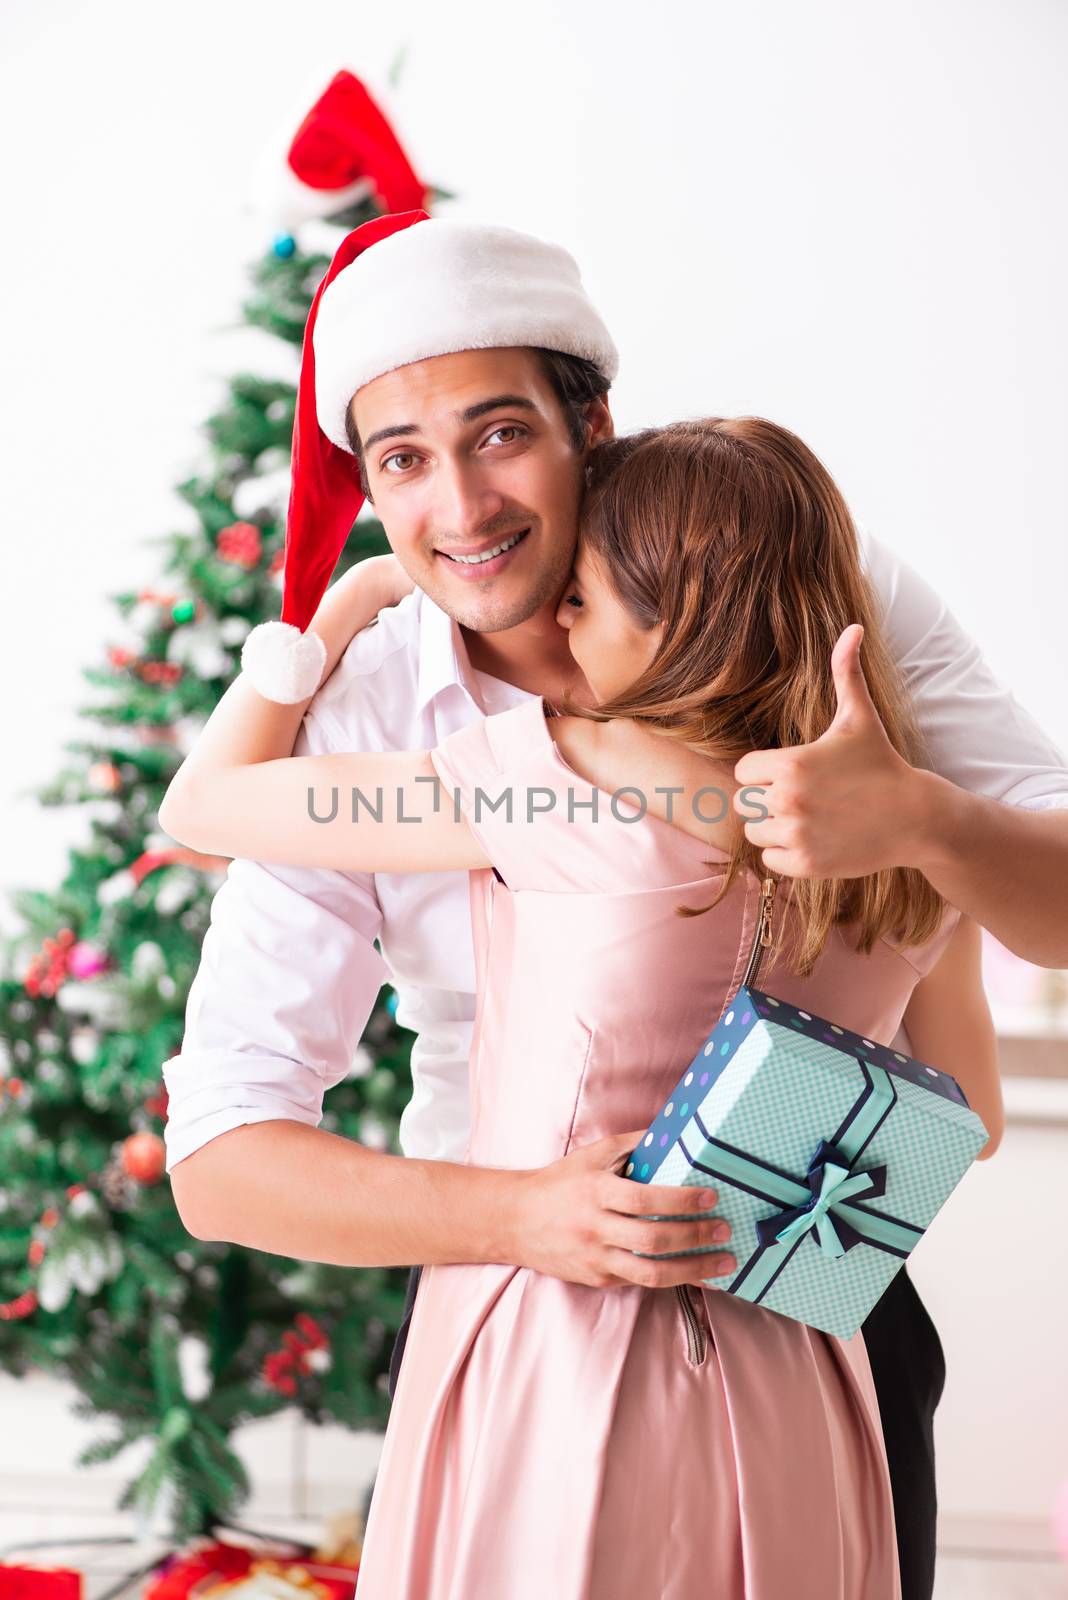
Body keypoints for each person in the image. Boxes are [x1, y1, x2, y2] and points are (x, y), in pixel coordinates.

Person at [159, 213, 1068, 1599]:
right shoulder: (430, 702)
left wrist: (934, 819)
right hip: (528, 1279)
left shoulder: (795, 634)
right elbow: (222, 1153)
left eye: (501, 432)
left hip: (815, 1316)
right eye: (403, 459)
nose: (461, 510)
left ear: (595, 426)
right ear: (371, 483)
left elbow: (201, 808)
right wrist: (524, 1215)